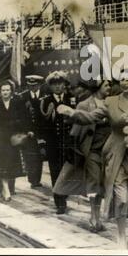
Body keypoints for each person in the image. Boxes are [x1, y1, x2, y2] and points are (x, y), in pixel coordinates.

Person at [59, 70, 128, 249]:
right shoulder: (111, 102)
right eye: (122, 80)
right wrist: (72, 113)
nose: (124, 83)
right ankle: (120, 236)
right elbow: (90, 117)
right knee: (122, 198)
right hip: (115, 154)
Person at [53, 80, 112, 233]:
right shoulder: (84, 105)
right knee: (94, 183)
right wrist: (75, 151)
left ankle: (98, 215)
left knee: (102, 185)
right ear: (98, 87)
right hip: (91, 150)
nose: (109, 88)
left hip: (108, 151)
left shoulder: (111, 103)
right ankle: (94, 217)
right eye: (106, 85)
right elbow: (76, 131)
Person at [40, 71, 74, 214]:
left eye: (60, 83)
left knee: (67, 172)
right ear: (50, 86)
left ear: (64, 84)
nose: (58, 87)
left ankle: (64, 194)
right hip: (53, 143)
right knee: (55, 172)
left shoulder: (71, 100)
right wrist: (41, 143)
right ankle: (59, 201)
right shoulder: (45, 101)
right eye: (54, 84)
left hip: (68, 143)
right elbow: (41, 125)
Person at [0, 80, 31, 201]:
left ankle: (8, 188)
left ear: (11, 91)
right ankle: (6, 189)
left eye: (8, 90)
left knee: (11, 163)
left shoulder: (17, 102)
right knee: (1, 163)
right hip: (0, 138)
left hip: (13, 138)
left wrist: (26, 131)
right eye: (3, 90)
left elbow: (24, 117)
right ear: (0, 91)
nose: (5, 92)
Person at [21, 75, 45, 189]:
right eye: (30, 86)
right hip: (29, 132)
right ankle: (32, 179)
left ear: (39, 85)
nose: (33, 88)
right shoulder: (23, 97)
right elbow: (22, 116)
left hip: (42, 131)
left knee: (39, 155)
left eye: (35, 85)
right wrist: (27, 130)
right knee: (30, 155)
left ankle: (37, 179)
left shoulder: (45, 95)